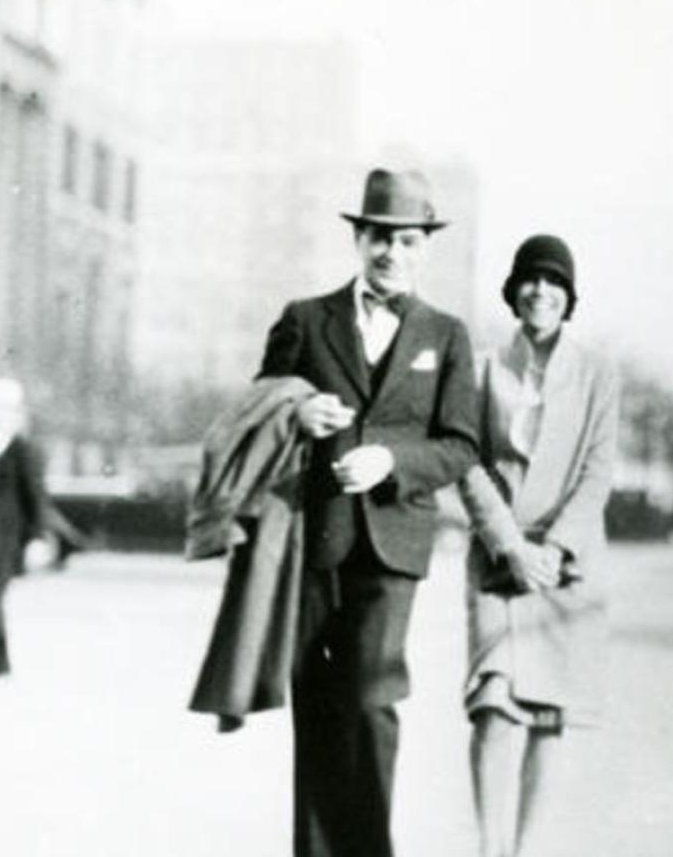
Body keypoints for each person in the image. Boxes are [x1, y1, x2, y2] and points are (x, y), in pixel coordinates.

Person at [256, 168, 479, 857]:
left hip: (393, 545)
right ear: (358, 240)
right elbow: (261, 407)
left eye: (406, 240)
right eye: (379, 237)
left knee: (370, 697)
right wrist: (297, 412)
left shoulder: (446, 335)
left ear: (425, 248)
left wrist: (391, 462)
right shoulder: (305, 319)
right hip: (313, 539)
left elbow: (461, 445)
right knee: (316, 699)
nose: (391, 252)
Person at [456, 234, 618, 857]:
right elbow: (467, 462)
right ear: (513, 290)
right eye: (530, 279)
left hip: (565, 569)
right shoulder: (482, 368)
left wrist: (556, 550)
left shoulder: (599, 372)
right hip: (498, 560)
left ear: (569, 296)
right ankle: (489, 848)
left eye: (554, 282)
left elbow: (597, 472)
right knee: (493, 704)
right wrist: (509, 545)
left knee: (547, 713)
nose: (541, 291)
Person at [0, 378, 45, 678]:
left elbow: (34, 495)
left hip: (4, 541)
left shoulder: (20, 449)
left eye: (3, 409)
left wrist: (37, 537)